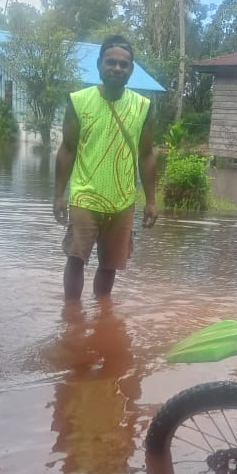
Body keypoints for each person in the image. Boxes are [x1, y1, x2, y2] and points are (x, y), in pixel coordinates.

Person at [53, 35, 157, 301]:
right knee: (76, 259)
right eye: (111, 62)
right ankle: (72, 316)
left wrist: (151, 201)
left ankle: (101, 314)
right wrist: (58, 195)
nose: (117, 68)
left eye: (124, 64)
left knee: (109, 266)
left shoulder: (143, 107)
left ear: (131, 69)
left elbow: (146, 155)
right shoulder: (79, 101)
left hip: (122, 200)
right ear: (99, 65)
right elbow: (67, 149)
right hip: (85, 196)